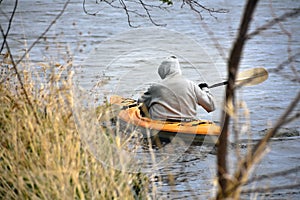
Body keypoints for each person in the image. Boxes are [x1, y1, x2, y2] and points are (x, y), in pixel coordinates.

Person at [138, 56, 215, 121]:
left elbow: (141, 104)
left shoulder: (156, 87)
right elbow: (211, 106)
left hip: (160, 126)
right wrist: (205, 90)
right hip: (188, 125)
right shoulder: (191, 85)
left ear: (163, 71)